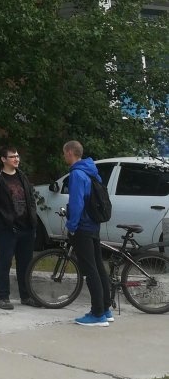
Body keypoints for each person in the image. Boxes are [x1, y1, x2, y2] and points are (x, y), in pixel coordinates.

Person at [62, 140, 113, 326]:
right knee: (98, 266)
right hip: (94, 225)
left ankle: (97, 314)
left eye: (64, 153)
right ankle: (106, 309)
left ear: (70, 152)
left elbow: (77, 203)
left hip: (82, 226)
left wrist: (72, 226)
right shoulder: (92, 171)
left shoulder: (77, 174)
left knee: (90, 270)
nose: (64, 157)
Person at [0, 145, 39, 310]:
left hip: (26, 228)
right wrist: (1, 222)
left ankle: (26, 296)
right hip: (7, 229)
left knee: (25, 264)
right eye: (13, 156)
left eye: (17, 156)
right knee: (4, 262)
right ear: (3, 159)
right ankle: (3, 297)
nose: (16, 159)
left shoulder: (22, 176)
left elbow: (31, 199)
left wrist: (33, 219)